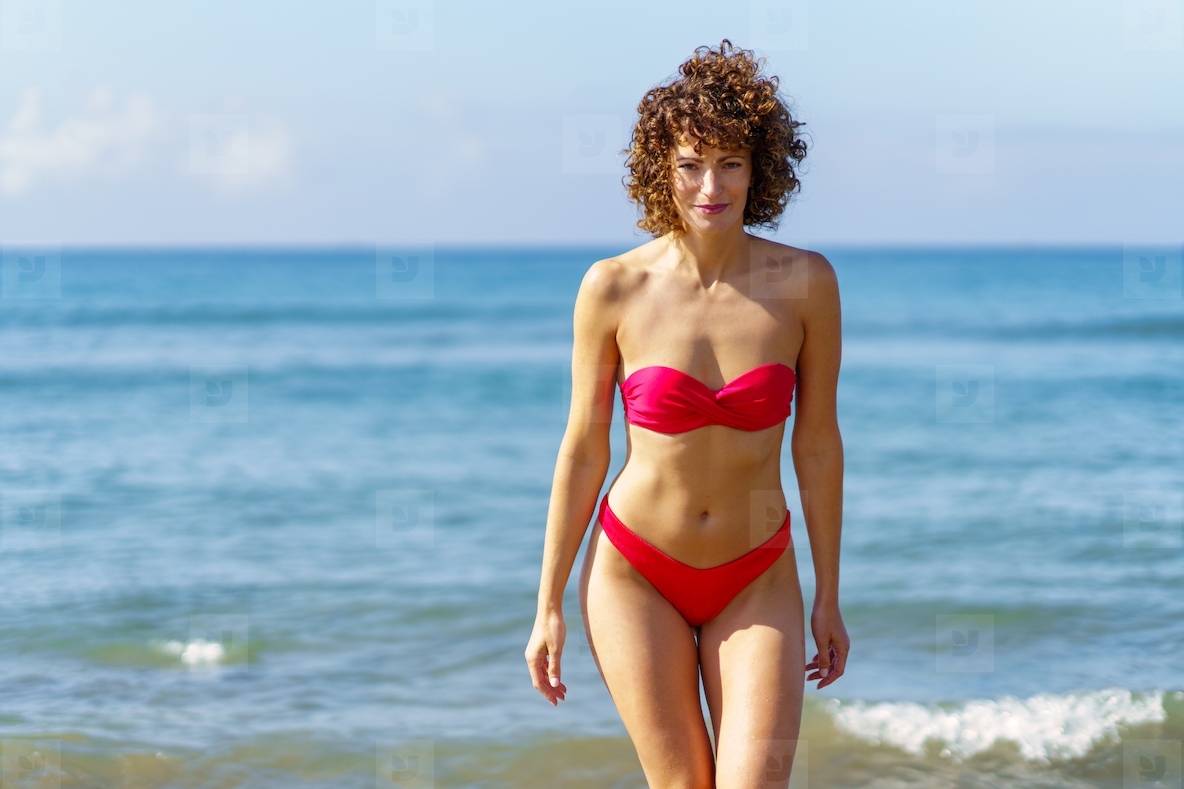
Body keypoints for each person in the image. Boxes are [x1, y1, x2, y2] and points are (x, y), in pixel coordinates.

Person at [525, 39, 848, 788]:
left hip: (757, 571)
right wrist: (547, 603)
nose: (711, 185)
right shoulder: (613, 288)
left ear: (758, 167)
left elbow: (819, 445)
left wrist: (828, 594)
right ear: (659, 170)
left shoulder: (806, 284)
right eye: (691, 164)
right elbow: (582, 448)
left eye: (731, 162)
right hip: (637, 571)